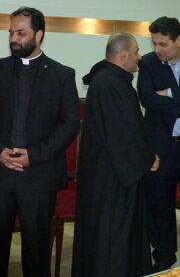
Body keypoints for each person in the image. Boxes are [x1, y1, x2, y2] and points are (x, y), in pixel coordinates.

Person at [0, 7, 80, 277]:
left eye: (21, 33)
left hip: (38, 174)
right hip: (0, 172)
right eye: (11, 32)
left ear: (39, 34)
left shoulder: (61, 75)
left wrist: (34, 155)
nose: (13, 38)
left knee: (36, 250)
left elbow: (70, 123)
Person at [72, 33, 159, 277]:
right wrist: (147, 158)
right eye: (136, 51)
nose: (139, 57)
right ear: (123, 54)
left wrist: (145, 154)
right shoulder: (109, 85)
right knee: (112, 242)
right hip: (112, 181)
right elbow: (121, 134)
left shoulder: (112, 81)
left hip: (113, 175)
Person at [137, 16, 180, 272]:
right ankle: (164, 256)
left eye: (163, 44)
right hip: (162, 146)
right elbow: (147, 99)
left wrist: (169, 93)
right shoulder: (149, 63)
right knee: (159, 204)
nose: (157, 49)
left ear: (178, 40)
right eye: (154, 43)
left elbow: (158, 100)